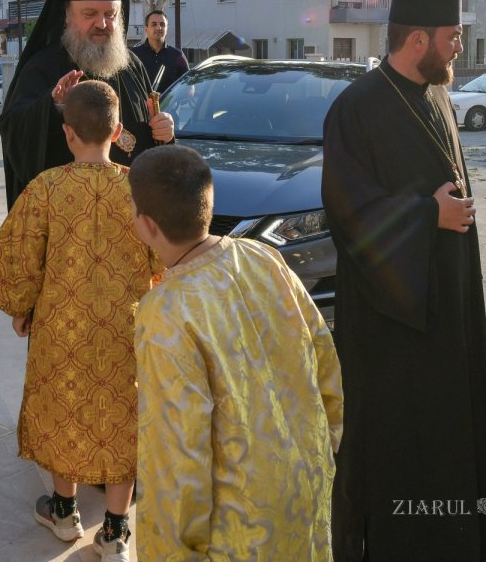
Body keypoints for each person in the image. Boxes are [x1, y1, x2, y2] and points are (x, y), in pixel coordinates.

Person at [323, 0, 486, 561]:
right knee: (404, 444)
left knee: (452, 432)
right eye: (453, 38)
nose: (460, 49)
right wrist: (427, 215)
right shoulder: (355, 109)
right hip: (391, 322)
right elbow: (348, 211)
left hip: (448, 302)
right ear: (419, 39)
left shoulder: (438, 94)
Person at [128, 144, 343, 560]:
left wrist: (174, 551)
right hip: (306, 480)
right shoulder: (263, 257)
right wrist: (326, 443)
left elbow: (177, 452)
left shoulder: (165, 312)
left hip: (239, 523)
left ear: (146, 224)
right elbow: (323, 352)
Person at [0, 80, 158, 562]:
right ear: (118, 130)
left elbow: (19, 257)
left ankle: (63, 511)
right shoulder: (140, 189)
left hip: (62, 327)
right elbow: (162, 259)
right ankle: (117, 532)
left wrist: (22, 308)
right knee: (122, 416)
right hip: (127, 329)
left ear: (67, 133)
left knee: (64, 409)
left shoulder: (46, 187)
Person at [0, 0, 175, 208]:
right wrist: (53, 107)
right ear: (68, 14)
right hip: (67, 216)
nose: (102, 24)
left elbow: (152, 138)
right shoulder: (42, 66)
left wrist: (164, 133)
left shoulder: (132, 65)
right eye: (90, 14)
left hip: (129, 217)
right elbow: (13, 128)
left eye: (110, 15)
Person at [130, 9, 189, 92]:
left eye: (162, 24)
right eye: (154, 24)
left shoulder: (177, 56)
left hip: (169, 104)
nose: (159, 27)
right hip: (142, 104)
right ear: (146, 29)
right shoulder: (134, 55)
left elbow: (188, 86)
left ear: (167, 29)